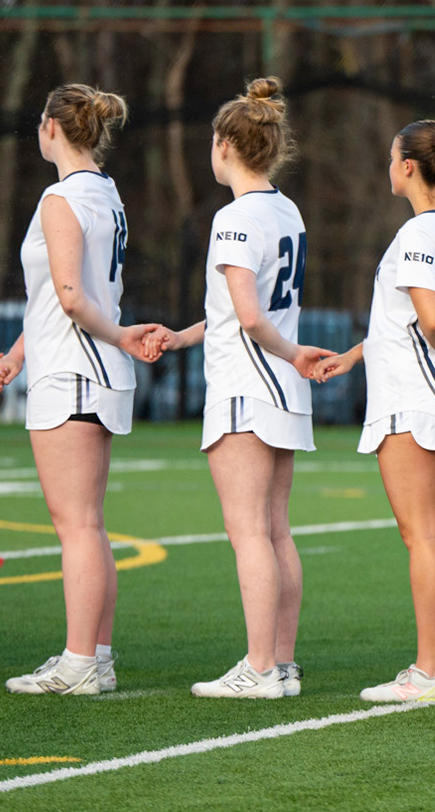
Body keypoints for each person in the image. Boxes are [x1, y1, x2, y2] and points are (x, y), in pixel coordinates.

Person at [0, 85, 165, 695]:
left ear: (53, 129)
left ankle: (80, 662)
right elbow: (56, 301)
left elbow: (68, 296)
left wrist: (119, 335)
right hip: (90, 368)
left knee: (77, 526)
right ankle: (96, 658)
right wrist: (12, 358)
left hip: (76, 372)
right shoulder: (105, 194)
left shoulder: (61, 197)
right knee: (89, 523)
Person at [159, 77, 329, 699]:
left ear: (227, 145)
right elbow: (242, 310)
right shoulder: (287, 210)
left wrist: (292, 352)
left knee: (249, 532)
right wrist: (182, 337)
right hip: (280, 387)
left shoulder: (234, 217)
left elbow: (254, 320)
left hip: (248, 385)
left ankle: (259, 668)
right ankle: (280, 664)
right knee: (276, 529)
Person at [314, 121, 435, 703]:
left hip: (416, 399)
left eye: (391, 157)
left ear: (409, 166)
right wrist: (354, 356)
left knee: (424, 538)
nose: (388, 166)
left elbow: (433, 321)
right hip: (429, 392)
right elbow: (406, 320)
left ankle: (430, 670)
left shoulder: (419, 233)